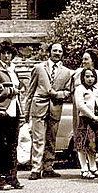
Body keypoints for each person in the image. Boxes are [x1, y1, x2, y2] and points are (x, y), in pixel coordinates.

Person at [25, 42, 74, 180]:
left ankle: (48, 167)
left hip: (55, 108)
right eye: (55, 50)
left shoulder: (66, 72)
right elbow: (30, 91)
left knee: (51, 139)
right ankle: (36, 168)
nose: (57, 53)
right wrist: (26, 112)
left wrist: (57, 94)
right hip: (39, 107)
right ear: (50, 52)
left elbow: (69, 91)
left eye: (60, 51)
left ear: (62, 53)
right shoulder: (39, 68)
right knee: (38, 139)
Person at [70, 49, 98, 177]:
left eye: (86, 59)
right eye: (83, 59)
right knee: (81, 139)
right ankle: (84, 168)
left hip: (97, 111)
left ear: (93, 60)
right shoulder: (78, 73)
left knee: (93, 140)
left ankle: (93, 167)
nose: (83, 61)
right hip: (81, 111)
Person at [0, 39, 23, 190]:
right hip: (1, 112)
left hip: (14, 112)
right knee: (1, 146)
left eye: (9, 53)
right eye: (4, 53)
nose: (7, 56)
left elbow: (20, 90)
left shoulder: (13, 70)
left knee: (13, 147)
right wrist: (9, 91)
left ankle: (12, 178)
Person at [73, 68, 98, 179]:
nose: (90, 79)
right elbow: (80, 105)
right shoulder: (80, 89)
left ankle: (93, 167)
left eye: (92, 76)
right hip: (85, 119)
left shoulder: (96, 89)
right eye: (87, 76)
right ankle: (84, 168)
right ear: (83, 78)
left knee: (93, 144)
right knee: (82, 145)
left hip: (96, 120)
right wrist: (92, 116)